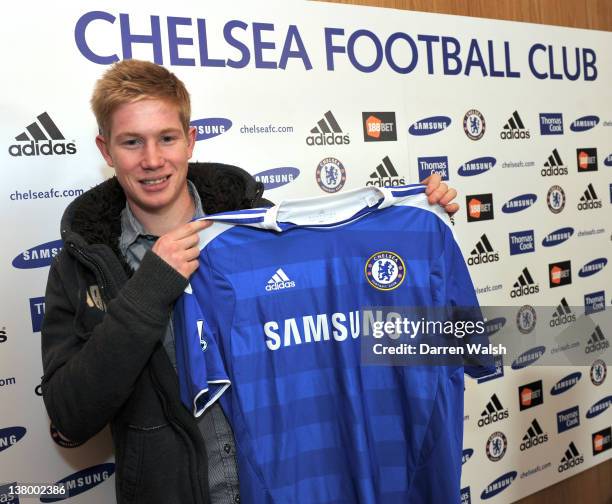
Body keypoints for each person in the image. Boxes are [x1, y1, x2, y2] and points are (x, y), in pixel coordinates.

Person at [40, 59, 459, 504]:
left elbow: (353, 330)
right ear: (106, 151)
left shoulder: (268, 235)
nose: (152, 160)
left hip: (295, 486)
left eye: (166, 137)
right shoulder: (84, 266)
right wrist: (148, 290)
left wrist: (417, 233)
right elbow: (70, 417)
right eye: (131, 142)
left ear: (190, 139)